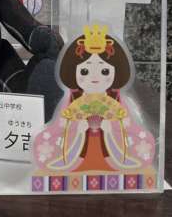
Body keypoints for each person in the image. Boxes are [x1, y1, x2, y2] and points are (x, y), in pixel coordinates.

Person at [33, 24, 155, 172]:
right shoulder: (72, 98)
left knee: (144, 145)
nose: (95, 77)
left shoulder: (117, 99)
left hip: (111, 156)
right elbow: (60, 127)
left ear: (117, 71)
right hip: (77, 156)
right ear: (73, 72)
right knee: (43, 146)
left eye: (105, 71)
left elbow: (128, 128)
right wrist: (78, 130)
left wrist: (110, 130)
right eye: (85, 71)